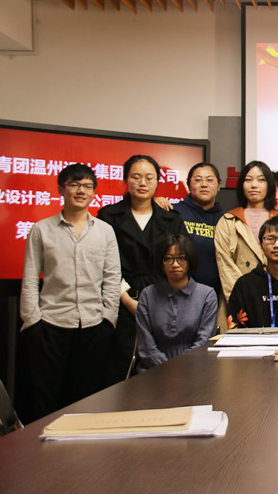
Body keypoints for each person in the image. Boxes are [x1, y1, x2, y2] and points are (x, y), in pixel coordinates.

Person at [20, 163, 121, 420]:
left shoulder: (105, 231)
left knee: (86, 401)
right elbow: (30, 279)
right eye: (74, 184)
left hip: (94, 326)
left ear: (94, 191)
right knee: (46, 401)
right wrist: (32, 321)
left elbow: (112, 278)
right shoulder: (41, 229)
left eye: (87, 186)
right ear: (61, 189)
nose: (81, 190)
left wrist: (108, 318)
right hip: (51, 324)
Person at [98, 155, 187, 385]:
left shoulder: (171, 218)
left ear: (157, 182)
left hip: (164, 300)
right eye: (136, 177)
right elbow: (104, 264)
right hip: (120, 300)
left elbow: (182, 262)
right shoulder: (108, 216)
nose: (142, 183)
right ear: (125, 180)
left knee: (165, 372)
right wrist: (127, 300)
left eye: (149, 178)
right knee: (120, 369)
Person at [135, 235, 217, 371]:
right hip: (153, 371)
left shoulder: (207, 295)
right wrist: (167, 368)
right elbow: (146, 346)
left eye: (181, 258)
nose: (175, 264)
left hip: (195, 370)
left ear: (190, 260)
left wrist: (180, 368)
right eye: (168, 259)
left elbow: (204, 341)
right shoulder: (148, 295)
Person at [214, 160, 275, 331]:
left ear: (269, 185)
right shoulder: (227, 221)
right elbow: (225, 265)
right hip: (237, 301)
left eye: (261, 180)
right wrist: (244, 298)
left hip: (273, 301)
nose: (254, 185)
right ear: (241, 185)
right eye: (248, 179)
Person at [172, 162, 225, 298]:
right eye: (198, 180)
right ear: (189, 185)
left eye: (209, 180)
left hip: (215, 296)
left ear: (218, 185)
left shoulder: (226, 219)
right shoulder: (174, 212)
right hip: (177, 294)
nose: (204, 185)